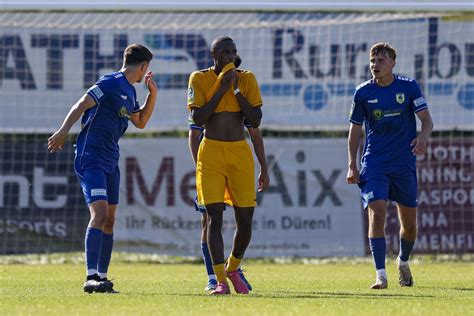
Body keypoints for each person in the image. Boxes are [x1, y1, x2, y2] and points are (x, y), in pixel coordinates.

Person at [47, 44, 157, 293]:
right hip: (91, 157)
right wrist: (63, 131)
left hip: (110, 160)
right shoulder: (110, 82)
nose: (144, 74)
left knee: (110, 219)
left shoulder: (130, 91)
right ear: (142, 67)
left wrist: (153, 94)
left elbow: (140, 122)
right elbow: (81, 105)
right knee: (99, 214)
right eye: (146, 69)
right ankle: (90, 277)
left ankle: (102, 278)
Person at [347, 42, 433, 289]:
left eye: (381, 61)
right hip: (374, 162)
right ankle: (380, 275)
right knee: (377, 209)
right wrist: (351, 164)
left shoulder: (408, 87)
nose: (375, 65)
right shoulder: (362, 92)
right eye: (372, 61)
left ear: (393, 63)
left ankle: (403, 261)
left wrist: (423, 138)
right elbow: (354, 131)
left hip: (403, 163)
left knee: (409, 225)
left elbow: (427, 121)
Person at [187, 36, 264, 295]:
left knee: (245, 219)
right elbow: (198, 117)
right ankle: (219, 279)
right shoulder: (199, 78)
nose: (230, 56)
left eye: (233, 51)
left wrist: (236, 90)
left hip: (239, 153)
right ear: (214, 55)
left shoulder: (247, 78)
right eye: (224, 52)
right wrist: (221, 87)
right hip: (211, 152)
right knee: (214, 218)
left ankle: (233, 267)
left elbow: (255, 119)